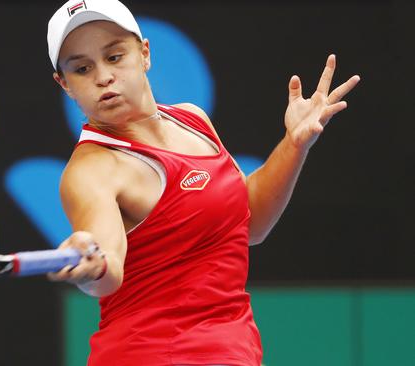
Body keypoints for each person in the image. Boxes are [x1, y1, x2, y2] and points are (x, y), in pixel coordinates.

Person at [45, 0, 360, 365]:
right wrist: (92, 262)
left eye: (114, 57)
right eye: (82, 69)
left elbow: (251, 221)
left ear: (144, 53)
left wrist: (294, 145)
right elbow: (108, 266)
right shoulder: (92, 170)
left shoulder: (193, 120)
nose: (103, 77)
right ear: (65, 84)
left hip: (231, 349)